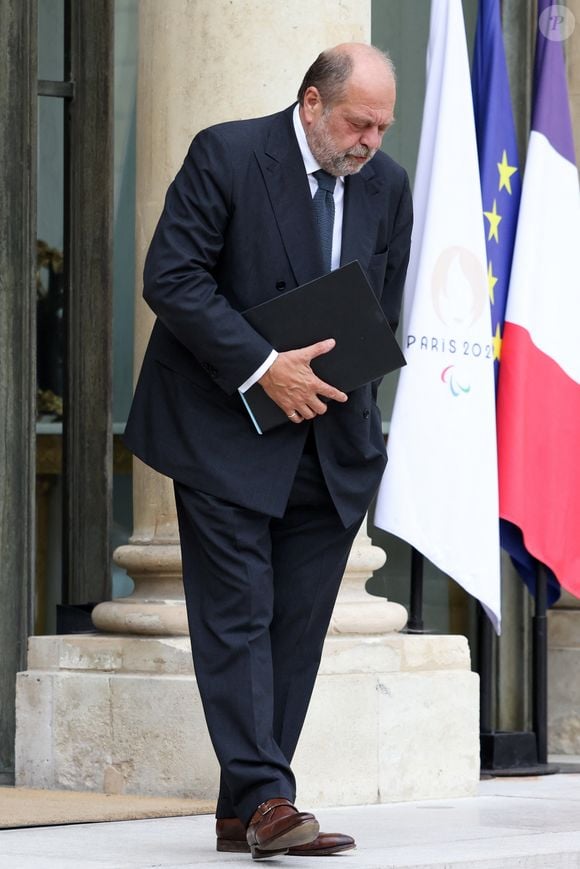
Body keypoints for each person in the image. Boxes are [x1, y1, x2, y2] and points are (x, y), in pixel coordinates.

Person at [124, 42, 412, 860]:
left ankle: (243, 803)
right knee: (239, 614)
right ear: (313, 104)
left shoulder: (386, 185)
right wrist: (262, 368)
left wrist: (356, 405)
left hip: (332, 441)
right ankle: (270, 800)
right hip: (221, 428)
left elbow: (379, 306)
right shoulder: (228, 153)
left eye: (384, 127)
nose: (370, 142)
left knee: (294, 628)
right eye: (359, 122)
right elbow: (172, 277)